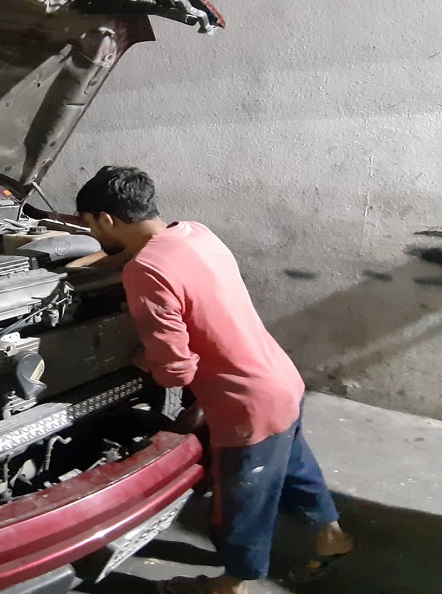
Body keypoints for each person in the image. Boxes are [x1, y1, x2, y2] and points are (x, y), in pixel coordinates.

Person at [71, 166, 354, 594]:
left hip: (245, 405)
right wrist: (88, 262)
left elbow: (176, 371)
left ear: (106, 219)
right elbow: (155, 263)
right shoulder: (196, 233)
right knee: (294, 467)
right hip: (282, 380)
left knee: (240, 503)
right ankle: (332, 536)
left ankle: (233, 584)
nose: (92, 234)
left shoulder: (144, 272)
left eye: (90, 225)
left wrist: (135, 360)